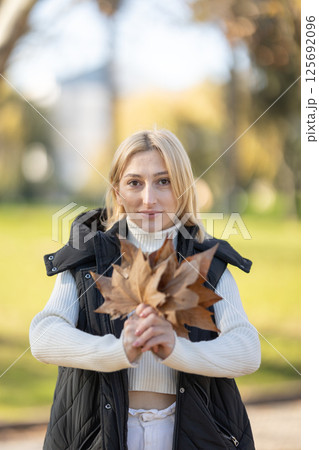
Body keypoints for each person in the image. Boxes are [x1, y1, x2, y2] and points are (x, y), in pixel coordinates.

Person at [30, 128, 261, 450]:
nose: (148, 198)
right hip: (101, 435)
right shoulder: (88, 256)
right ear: (117, 189)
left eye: (163, 181)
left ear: (182, 187)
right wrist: (117, 351)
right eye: (135, 182)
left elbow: (247, 350)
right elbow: (43, 337)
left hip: (190, 435)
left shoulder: (205, 261)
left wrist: (177, 350)